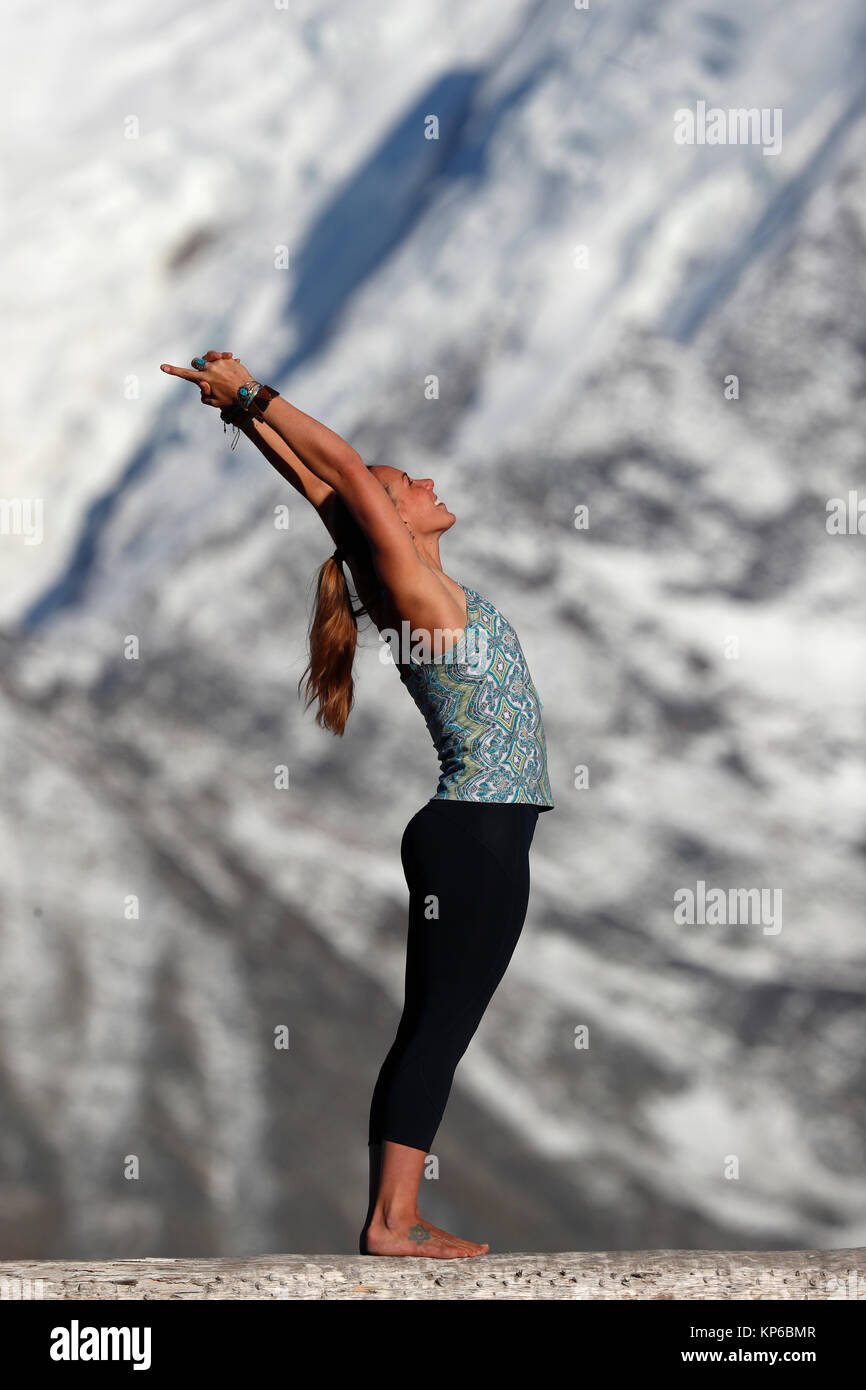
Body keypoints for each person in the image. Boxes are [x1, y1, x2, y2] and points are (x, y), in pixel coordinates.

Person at [160, 351, 555, 1258]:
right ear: (392, 524)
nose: (420, 481)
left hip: (467, 835)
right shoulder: (416, 592)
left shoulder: (407, 589)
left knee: (429, 1027)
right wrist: (254, 394)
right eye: (402, 485)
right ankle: (391, 1222)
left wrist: (241, 416)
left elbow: (323, 490)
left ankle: (396, 1215)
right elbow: (339, 475)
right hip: (479, 835)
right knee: (439, 1030)